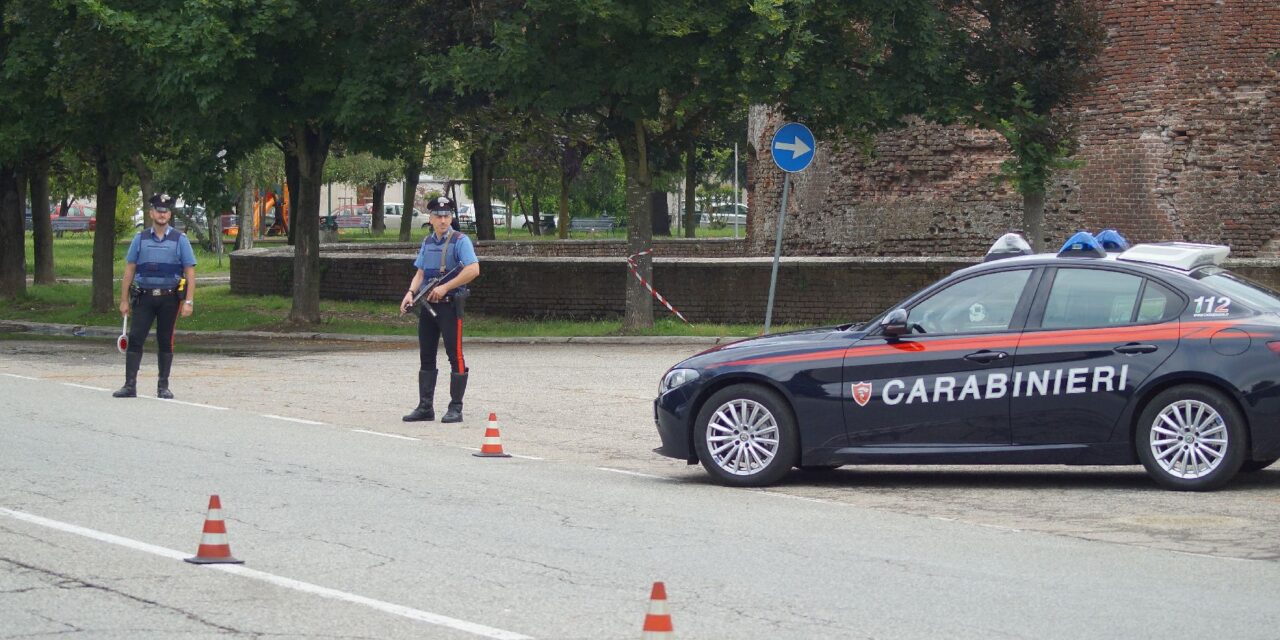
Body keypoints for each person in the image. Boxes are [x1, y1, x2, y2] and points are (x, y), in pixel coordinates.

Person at [400, 196, 480, 423]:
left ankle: (456, 407)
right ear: (431, 218)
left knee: (455, 356)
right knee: (426, 355)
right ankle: (425, 407)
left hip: (450, 306)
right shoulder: (427, 242)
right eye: (438, 216)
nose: (443, 220)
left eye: (446, 216)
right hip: (427, 305)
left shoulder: (461, 240)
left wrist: (445, 287)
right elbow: (421, 272)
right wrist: (410, 293)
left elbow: (473, 269)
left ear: (451, 217)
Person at [113, 194, 197, 399]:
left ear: (170, 214)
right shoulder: (139, 239)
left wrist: (188, 301)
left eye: (166, 211)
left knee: (165, 340)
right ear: (151, 213)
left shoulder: (180, 240)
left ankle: (163, 387)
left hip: (169, 299)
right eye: (158, 211)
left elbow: (190, 272)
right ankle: (130, 385)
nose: (162, 214)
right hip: (144, 297)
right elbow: (129, 270)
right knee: (135, 338)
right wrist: (124, 300)